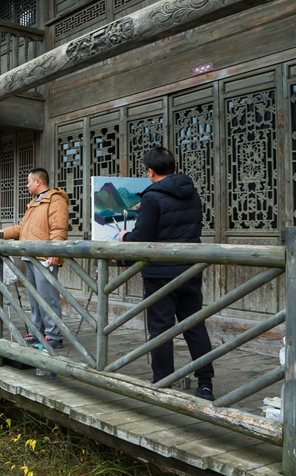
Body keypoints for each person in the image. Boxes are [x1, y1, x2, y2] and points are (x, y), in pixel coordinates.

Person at [118, 146, 215, 401]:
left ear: (150, 172)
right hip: (190, 269)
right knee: (194, 326)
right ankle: (205, 384)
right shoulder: (192, 193)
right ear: (174, 167)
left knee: (161, 330)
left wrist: (124, 237)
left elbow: (143, 239)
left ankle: (162, 382)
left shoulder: (152, 198)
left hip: (161, 273)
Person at [2, 168, 69, 349]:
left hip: (45, 257)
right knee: (33, 297)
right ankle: (36, 332)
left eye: (29, 181)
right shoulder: (34, 204)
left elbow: (59, 227)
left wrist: (55, 251)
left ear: (38, 181)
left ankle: (53, 335)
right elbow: (21, 229)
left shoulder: (55, 200)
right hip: (29, 256)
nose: (27, 185)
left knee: (48, 297)